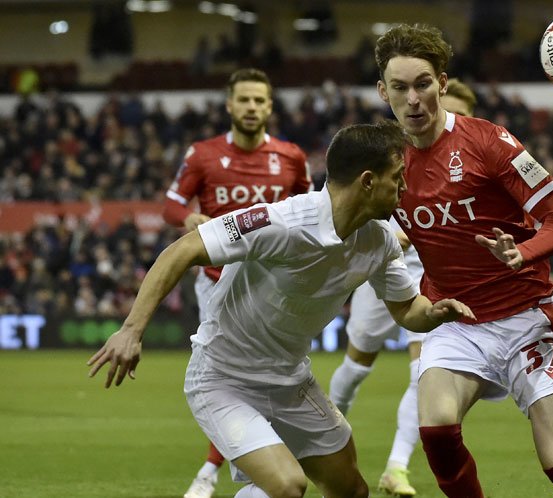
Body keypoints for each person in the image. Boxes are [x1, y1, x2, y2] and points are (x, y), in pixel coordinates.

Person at [88, 121, 476, 498]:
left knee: (352, 489)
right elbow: (183, 249)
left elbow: (408, 310)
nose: (405, 186)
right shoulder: (281, 222)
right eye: (398, 176)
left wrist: (438, 311)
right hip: (224, 380)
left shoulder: (377, 243)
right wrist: (131, 330)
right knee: (287, 486)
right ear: (368, 181)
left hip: (292, 382)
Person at [374, 23, 553, 497]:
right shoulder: (384, 160)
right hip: (455, 321)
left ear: (442, 82)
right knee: (437, 431)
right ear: (383, 91)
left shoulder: (491, 142)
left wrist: (519, 253)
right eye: (399, 88)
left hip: (526, 318)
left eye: (423, 84)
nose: (413, 99)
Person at [162, 68, 313, 498]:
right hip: (216, 280)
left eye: (258, 101)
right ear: (229, 105)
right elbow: (172, 204)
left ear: (270, 106)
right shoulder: (203, 155)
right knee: (230, 375)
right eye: (243, 100)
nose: (251, 107)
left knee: (256, 374)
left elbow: (308, 204)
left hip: (274, 282)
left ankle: (235, 467)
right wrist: (189, 217)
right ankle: (220, 469)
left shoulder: (290, 157)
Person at [326, 77, 477, 497]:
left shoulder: (471, 163)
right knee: (356, 367)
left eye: (465, 116)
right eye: (454, 112)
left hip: (430, 278)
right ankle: (317, 437)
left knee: (422, 372)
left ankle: (397, 468)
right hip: (381, 267)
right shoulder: (396, 151)